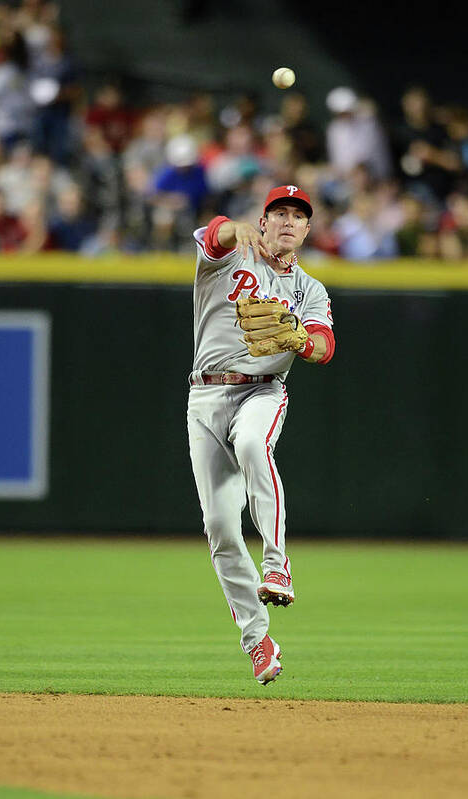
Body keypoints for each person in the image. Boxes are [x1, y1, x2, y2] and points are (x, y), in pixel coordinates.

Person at [187, 184, 335, 685]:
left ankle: (277, 565)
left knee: (253, 442)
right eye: (280, 213)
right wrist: (234, 227)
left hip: (263, 391)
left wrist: (300, 339)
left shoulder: (310, 289)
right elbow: (212, 234)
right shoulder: (226, 258)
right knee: (220, 529)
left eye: (299, 215)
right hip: (205, 398)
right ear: (264, 220)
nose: (289, 221)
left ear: (308, 229)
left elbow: (324, 346)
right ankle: (258, 641)